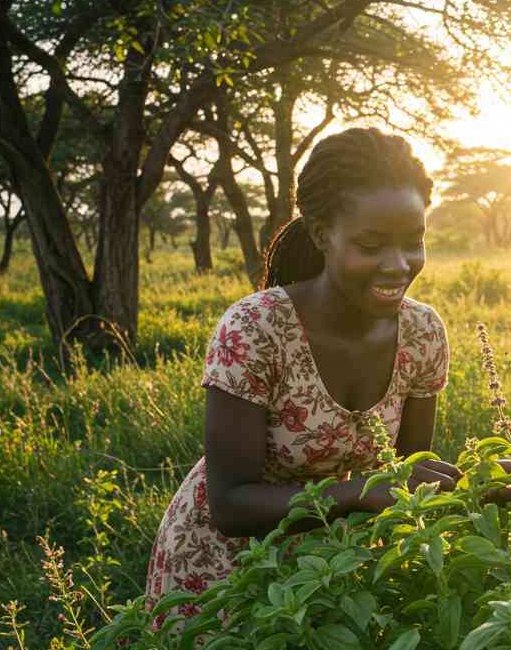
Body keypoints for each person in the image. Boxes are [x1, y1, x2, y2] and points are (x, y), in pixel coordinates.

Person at [144, 128, 463, 620]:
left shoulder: (422, 333)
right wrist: (362, 492)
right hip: (221, 572)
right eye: (371, 245)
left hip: (334, 571)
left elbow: (407, 472)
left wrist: (472, 484)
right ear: (321, 235)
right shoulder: (256, 329)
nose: (398, 266)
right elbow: (230, 507)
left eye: (413, 243)